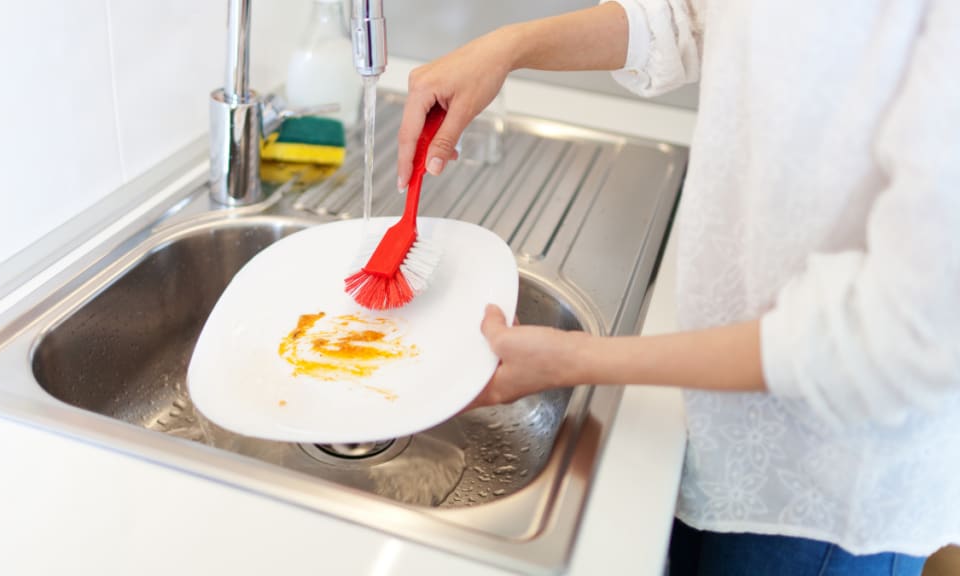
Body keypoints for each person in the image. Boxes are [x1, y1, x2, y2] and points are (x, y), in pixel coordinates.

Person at [395, 1, 959, 574]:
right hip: (709, 414)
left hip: (822, 486)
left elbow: (908, 333)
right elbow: (691, 17)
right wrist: (510, 45)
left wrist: (579, 359)